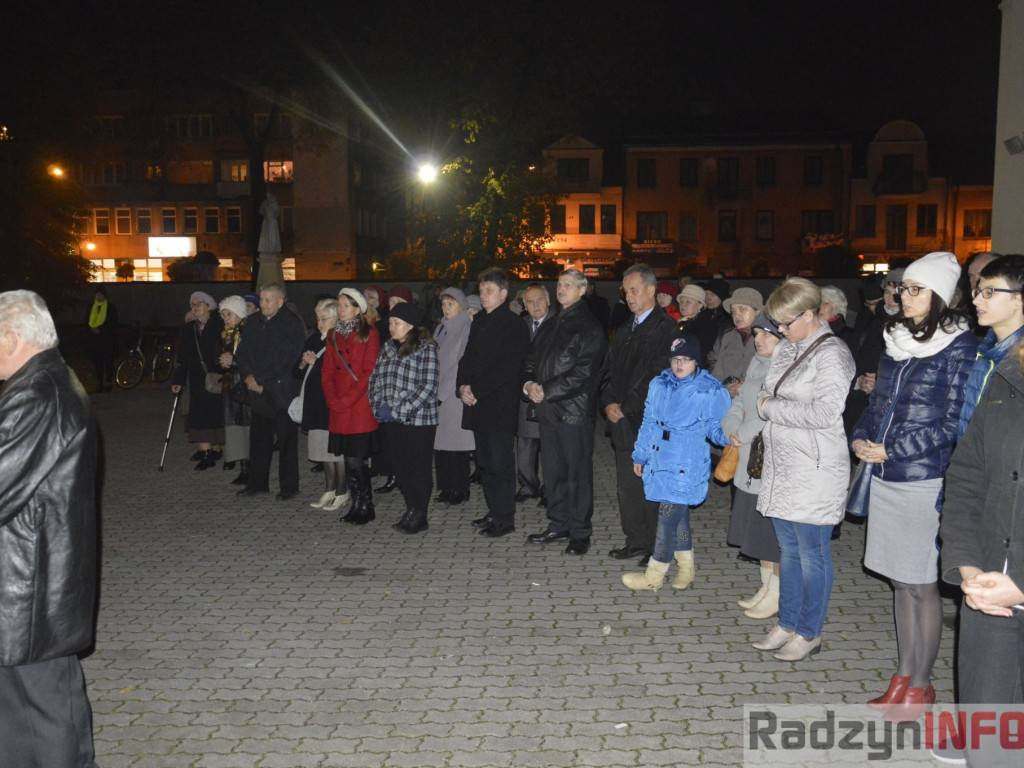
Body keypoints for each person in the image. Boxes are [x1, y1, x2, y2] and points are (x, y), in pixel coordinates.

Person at [851, 251, 976, 718]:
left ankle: (921, 686)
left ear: (940, 295)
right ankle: (903, 676)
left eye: (916, 289)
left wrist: (894, 449)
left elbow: (953, 423)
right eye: (903, 288)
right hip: (885, 475)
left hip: (924, 479)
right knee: (900, 583)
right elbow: (879, 406)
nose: (904, 296)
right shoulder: (897, 342)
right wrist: (862, 437)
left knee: (922, 585)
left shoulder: (960, 348)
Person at [0, 290, 100, 767]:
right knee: (26, 716)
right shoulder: (44, 383)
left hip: (30, 593)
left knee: (45, 717)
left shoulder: (39, 394)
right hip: (30, 587)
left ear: (11, 338)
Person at [752, 277, 855, 662]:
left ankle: (810, 632)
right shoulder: (789, 347)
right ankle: (788, 623)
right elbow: (766, 389)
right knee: (789, 550)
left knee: (813, 554)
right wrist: (767, 404)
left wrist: (770, 409)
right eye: (776, 323)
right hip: (783, 465)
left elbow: (825, 412)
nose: (780, 330)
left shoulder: (833, 354)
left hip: (815, 467)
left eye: (786, 322)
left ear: (810, 314)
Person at [939, 345, 1024, 768]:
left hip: (1014, 588)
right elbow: (967, 477)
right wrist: (968, 566)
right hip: (987, 596)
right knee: (988, 747)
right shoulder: (1006, 378)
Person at [621, 333, 730, 591]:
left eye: (686, 359)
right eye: (675, 359)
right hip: (660, 459)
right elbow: (648, 421)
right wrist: (641, 454)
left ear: (696, 362)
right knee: (679, 519)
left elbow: (716, 425)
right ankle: (686, 568)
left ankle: (653, 576)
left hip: (686, 464)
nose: (679, 365)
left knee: (667, 517)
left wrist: (728, 436)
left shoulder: (709, 389)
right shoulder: (660, 384)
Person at [524, 270, 608, 555]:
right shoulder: (550, 324)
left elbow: (584, 372)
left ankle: (580, 532)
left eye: (568, 285)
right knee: (553, 471)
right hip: (547, 411)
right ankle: (558, 523)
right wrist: (528, 385)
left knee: (576, 474)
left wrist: (546, 389)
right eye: (559, 284)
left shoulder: (589, 326)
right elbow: (530, 360)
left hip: (573, 412)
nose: (561, 289)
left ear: (582, 290)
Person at [599, 264, 677, 566]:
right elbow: (607, 371)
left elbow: (656, 375)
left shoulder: (665, 329)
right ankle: (635, 541)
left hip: (648, 422)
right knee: (627, 487)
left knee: (652, 486)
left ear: (650, 290)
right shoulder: (623, 328)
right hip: (621, 421)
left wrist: (626, 406)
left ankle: (657, 548)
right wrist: (607, 403)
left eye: (634, 290)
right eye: (625, 291)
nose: (628, 296)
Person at [457, 268, 531, 536]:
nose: (484, 295)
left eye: (489, 291)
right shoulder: (479, 322)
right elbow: (467, 358)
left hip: (498, 405)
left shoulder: (512, 325)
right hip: (477, 403)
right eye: (482, 290)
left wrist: (476, 389)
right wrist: (462, 386)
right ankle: (493, 510)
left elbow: (507, 369)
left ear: (503, 293)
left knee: (500, 464)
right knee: (485, 463)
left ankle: (505, 518)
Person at [723, 311, 784, 618]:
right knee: (755, 530)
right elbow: (740, 400)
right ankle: (765, 587)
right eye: (757, 333)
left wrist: (741, 433)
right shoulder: (757, 362)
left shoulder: (785, 367)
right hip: (749, 458)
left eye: (766, 334)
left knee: (769, 533)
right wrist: (729, 424)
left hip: (767, 459)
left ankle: (777, 592)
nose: (758, 340)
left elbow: (770, 413)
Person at [368, 302, 439, 534]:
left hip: (418, 421)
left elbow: (428, 386)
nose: (391, 327)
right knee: (402, 468)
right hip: (392, 421)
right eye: (390, 322)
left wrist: (399, 410)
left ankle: (420, 513)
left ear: (410, 326)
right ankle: (410, 508)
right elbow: (375, 379)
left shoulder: (426, 348)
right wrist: (378, 405)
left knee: (418, 468)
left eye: (396, 323)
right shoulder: (387, 347)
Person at [235, 282, 306, 500]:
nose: (262, 304)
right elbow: (243, 351)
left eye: (267, 300)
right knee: (259, 439)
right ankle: (257, 483)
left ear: (280, 301)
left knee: (286, 442)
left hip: (282, 391)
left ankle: (289, 487)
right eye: (262, 299)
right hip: (258, 391)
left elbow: (287, 358)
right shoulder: (254, 321)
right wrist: (248, 376)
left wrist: (259, 377)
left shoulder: (291, 324)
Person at [323, 288, 381, 525]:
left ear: (358, 309)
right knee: (348, 459)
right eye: (339, 305)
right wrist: (331, 398)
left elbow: (369, 373)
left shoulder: (370, 334)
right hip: (339, 407)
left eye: (346, 305)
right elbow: (326, 371)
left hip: (358, 407)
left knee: (357, 459)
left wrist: (345, 400)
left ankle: (366, 505)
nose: (341, 309)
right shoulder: (333, 335)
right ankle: (357, 503)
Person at [957, 254, 1024, 437]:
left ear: (1019, 299)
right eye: (978, 292)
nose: (976, 301)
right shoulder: (985, 353)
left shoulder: (1018, 360)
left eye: (989, 292)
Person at [171, 291, 226, 470]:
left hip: (217, 378)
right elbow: (183, 357)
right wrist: (178, 380)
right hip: (197, 379)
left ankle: (216, 449)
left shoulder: (220, 325)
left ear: (209, 307)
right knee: (200, 416)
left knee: (215, 416)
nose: (194, 306)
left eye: (199, 303)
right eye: (192, 304)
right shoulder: (189, 329)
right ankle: (206, 454)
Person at [298, 299, 343, 510]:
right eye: (317, 319)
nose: (320, 323)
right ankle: (329, 490)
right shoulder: (315, 339)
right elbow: (295, 372)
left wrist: (316, 363)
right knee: (323, 452)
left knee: (336, 452)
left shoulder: (340, 340)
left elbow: (338, 372)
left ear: (337, 318)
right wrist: (302, 363)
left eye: (324, 318)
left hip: (331, 404)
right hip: (315, 403)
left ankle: (342, 492)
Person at [433, 288, 475, 506]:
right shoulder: (441, 329)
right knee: (441, 445)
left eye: (451, 304)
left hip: (453, 396)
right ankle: (447, 487)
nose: (446, 308)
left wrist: (441, 394)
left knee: (456, 446)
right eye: (444, 304)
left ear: (462, 305)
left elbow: (460, 365)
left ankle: (460, 488)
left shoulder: (466, 328)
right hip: (438, 396)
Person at [516, 283, 555, 505]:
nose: (535, 305)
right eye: (529, 302)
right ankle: (527, 485)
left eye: (539, 299)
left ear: (548, 300)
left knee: (550, 446)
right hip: (525, 390)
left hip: (551, 394)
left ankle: (550, 490)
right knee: (525, 444)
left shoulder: (559, 323)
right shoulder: (521, 326)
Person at [217, 295, 251, 486]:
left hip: (244, 386)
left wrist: (234, 362)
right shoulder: (226, 334)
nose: (226, 318)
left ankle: (251, 468)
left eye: (228, 314)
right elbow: (217, 357)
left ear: (238, 314)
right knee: (235, 430)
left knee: (247, 428)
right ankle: (243, 468)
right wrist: (220, 361)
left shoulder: (248, 332)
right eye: (223, 315)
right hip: (231, 387)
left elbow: (252, 359)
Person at [709, 287, 763, 398]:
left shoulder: (769, 338)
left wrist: (748, 386)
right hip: (729, 399)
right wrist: (724, 390)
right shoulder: (728, 337)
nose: (736, 315)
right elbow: (717, 374)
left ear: (757, 312)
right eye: (733, 311)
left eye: (742, 309)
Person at [675, 283, 719, 367]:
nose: (683, 305)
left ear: (700, 305)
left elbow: (704, 354)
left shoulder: (706, 326)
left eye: (688, 302)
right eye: (681, 301)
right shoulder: (680, 322)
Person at [85, 288, 118, 392]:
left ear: (104, 296)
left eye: (100, 295)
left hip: (107, 340)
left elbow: (114, 322)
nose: (98, 297)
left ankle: (108, 382)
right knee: (97, 362)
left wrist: (101, 330)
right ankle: (99, 383)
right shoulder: (91, 307)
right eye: (96, 295)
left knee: (108, 362)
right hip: (94, 340)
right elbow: (86, 321)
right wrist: (91, 329)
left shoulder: (110, 307)